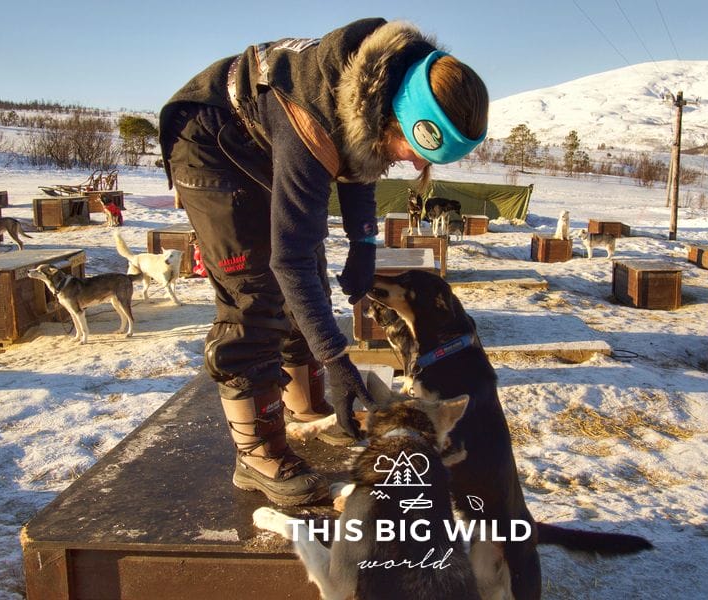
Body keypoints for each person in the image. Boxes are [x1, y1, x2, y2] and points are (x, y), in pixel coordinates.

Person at [158, 17, 488, 507]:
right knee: (256, 289)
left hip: (262, 143)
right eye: (415, 151)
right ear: (392, 118)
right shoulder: (311, 116)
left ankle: (301, 405)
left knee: (310, 276)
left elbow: (360, 161)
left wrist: (364, 242)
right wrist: (337, 358)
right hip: (210, 144)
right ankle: (256, 453)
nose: (418, 166)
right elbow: (286, 259)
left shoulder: (378, 86)